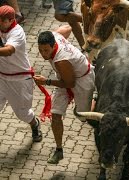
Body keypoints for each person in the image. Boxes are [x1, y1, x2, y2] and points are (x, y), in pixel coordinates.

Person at [34, 25, 95, 164]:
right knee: (55, 115)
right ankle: (59, 150)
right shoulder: (54, 35)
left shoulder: (61, 60)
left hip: (82, 81)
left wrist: (46, 81)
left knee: (84, 117)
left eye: (46, 50)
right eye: (40, 50)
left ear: (54, 45)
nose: (43, 54)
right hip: (64, 77)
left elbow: (70, 83)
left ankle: (96, 100)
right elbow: (68, 27)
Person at [0, 6, 42, 142]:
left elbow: (8, 51)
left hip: (19, 79)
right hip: (1, 76)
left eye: (2, 21)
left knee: (22, 113)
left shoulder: (17, 32)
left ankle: (35, 124)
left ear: (11, 20)